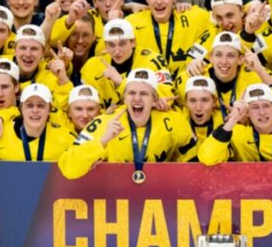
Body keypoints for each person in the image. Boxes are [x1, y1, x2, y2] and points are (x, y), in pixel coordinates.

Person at [58, 68, 194, 180]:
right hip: (116, 197)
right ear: (124, 98)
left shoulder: (175, 121)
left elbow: (193, 165)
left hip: (159, 196)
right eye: (131, 93)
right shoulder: (103, 123)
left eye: (144, 94)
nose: (137, 98)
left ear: (154, 100)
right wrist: (102, 141)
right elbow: (68, 168)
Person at [180, 31, 272, 119]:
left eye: (231, 56)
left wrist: (261, 71)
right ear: (211, 57)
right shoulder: (194, 76)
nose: (224, 61)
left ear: (240, 59)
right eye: (219, 55)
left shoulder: (256, 75)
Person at [0, 84, 76, 162]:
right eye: (29, 105)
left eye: (41, 105)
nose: (35, 110)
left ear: (49, 109)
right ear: (21, 108)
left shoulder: (66, 138)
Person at [198, 84, 272, 164]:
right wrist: (232, 121)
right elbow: (207, 157)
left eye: (266, 106)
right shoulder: (237, 135)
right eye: (255, 107)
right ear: (247, 113)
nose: (262, 112)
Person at [126, 0, 210, 77]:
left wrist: (201, 59)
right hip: (146, 83)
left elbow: (220, 18)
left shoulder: (193, 15)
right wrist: (126, 6)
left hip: (186, 81)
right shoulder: (131, 23)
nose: (159, 1)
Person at [80, 18, 172, 109]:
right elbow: (85, 107)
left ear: (133, 42)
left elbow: (167, 97)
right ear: (106, 45)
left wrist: (122, 83)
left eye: (122, 44)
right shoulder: (92, 66)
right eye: (111, 45)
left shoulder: (153, 60)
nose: (117, 51)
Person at [178, 76, 224, 162]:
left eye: (204, 100)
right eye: (193, 100)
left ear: (214, 101)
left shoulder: (225, 120)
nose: (198, 107)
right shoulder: (178, 119)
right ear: (185, 102)